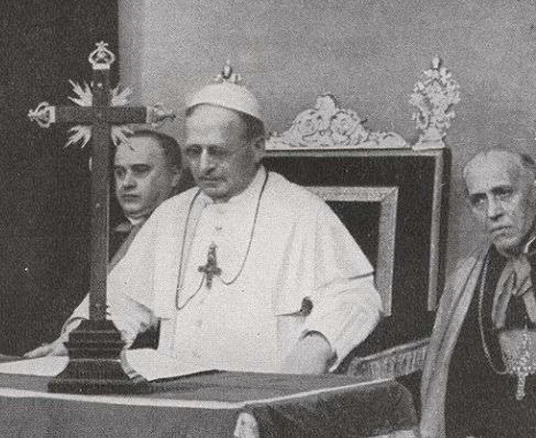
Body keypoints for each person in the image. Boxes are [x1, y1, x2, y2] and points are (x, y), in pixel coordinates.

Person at [28, 73, 381, 374]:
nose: (204, 166)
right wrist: (77, 339)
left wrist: (315, 348)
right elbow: (124, 298)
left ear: (258, 147)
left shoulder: (302, 212)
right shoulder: (172, 214)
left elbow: (355, 296)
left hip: (262, 387)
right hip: (174, 388)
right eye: (194, 152)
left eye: (218, 152)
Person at [421, 149, 536, 438]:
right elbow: (454, 387)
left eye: (504, 193)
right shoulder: (468, 278)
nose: (493, 212)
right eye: (479, 200)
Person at [109, 129, 186, 266]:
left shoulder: (187, 234)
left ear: (174, 175)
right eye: (120, 172)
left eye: (140, 170)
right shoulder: (109, 235)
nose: (126, 183)